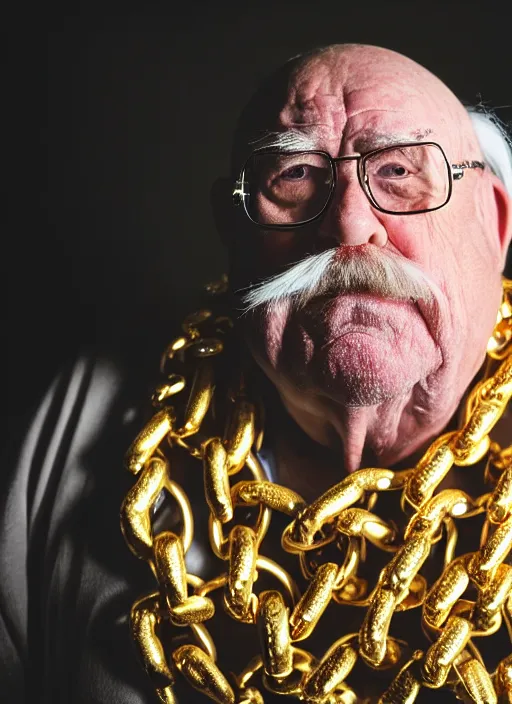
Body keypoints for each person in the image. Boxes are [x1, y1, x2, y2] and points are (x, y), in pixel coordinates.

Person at [2, 44, 511, 703]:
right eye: (295, 175)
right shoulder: (82, 418)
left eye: (400, 171)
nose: (349, 222)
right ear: (233, 230)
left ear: (495, 223)